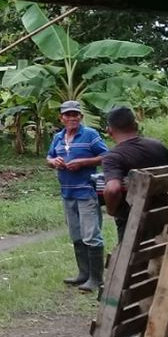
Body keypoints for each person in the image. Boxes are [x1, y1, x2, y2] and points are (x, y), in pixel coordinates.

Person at [47, 100, 109, 293]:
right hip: (67, 192)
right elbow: (48, 158)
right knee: (76, 234)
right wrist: (53, 161)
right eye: (68, 115)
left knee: (91, 234)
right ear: (62, 118)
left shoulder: (90, 135)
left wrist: (84, 162)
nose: (72, 118)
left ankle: (96, 278)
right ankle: (83, 273)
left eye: (75, 114)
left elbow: (107, 156)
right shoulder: (58, 137)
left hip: (85, 191)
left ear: (81, 117)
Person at [102, 106, 168, 243]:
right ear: (136, 125)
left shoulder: (113, 157)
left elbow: (112, 189)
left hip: (133, 221)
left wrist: (112, 211)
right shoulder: (159, 146)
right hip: (163, 216)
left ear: (109, 131)